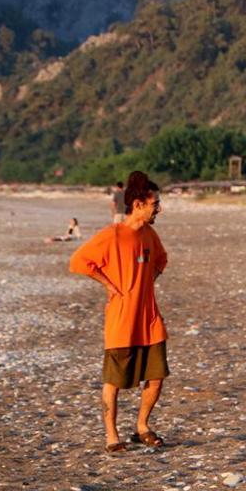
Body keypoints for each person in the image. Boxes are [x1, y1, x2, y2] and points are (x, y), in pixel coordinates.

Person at [70, 171, 169, 453]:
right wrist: (109, 285)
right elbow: (79, 261)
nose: (158, 209)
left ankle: (142, 426)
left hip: (149, 317)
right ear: (138, 205)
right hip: (122, 318)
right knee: (113, 380)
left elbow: (161, 261)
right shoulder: (112, 235)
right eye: (155, 204)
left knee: (157, 376)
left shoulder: (150, 235)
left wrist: (147, 282)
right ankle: (112, 436)